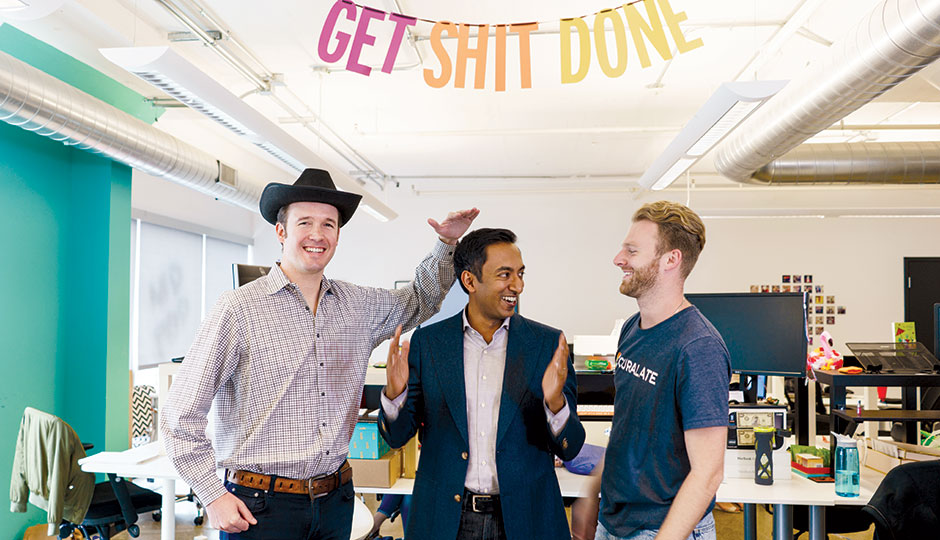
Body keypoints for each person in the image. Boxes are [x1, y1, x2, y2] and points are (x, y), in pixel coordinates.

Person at [160, 168, 479, 539]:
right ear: (281, 231)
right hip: (259, 507)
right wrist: (212, 495)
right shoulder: (237, 309)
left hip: (335, 502)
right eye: (305, 222)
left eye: (328, 224)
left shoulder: (357, 306)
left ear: (338, 235)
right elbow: (180, 414)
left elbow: (419, 300)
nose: (317, 234)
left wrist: (445, 243)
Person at [378, 227, 585, 540]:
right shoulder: (429, 343)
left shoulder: (546, 345)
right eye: (505, 274)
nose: (517, 285)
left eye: (520, 274)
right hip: (448, 520)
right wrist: (395, 395)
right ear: (470, 281)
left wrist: (555, 403)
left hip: (525, 518)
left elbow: (571, 448)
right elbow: (397, 437)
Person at [572, 201, 731, 540]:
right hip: (613, 521)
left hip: (664, 528)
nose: (618, 259)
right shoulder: (632, 329)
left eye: (631, 250)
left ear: (671, 259)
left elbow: (708, 473)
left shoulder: (698, 347)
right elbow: (627, 432)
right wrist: (590, 497)